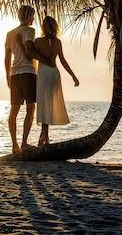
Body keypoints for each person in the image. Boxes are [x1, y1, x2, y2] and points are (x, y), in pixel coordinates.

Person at [32, 15, 79, 146]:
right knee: (48, 106)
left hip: (44, 74)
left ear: (43, 27)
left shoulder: (38, 41)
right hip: (54, 74)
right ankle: (42, 138)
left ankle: (45, 139)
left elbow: (30, 54)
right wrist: (73, 76)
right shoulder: (58, 42)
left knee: (44, 106)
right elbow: (63, 61)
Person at [4, 5, 38, 154]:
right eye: (33, 16)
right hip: (28, 71)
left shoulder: (9, 33)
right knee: (31, 107)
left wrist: (7, 76)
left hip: (14, 73)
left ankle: (14, 145)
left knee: (14, 110)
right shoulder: (30, 31)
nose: (33, 19)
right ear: (29, 16)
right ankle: (24, 143)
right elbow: (29, 54)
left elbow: (7, 58)